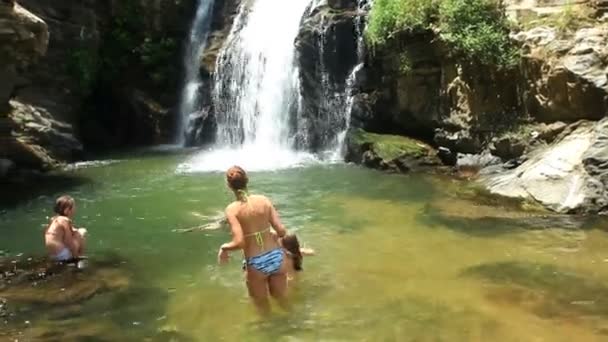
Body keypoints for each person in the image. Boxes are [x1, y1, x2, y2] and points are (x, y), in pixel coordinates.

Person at [218, 166, 289, 315]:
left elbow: (240, 242)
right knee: (283, 302)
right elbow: (282, 231)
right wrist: (268, 233)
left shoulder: (232, 209)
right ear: (247, 180)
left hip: (256, 263)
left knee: (263, 309)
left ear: (228, 185)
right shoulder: (263, 200)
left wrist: (224, 248)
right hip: (277, 257)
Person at [44, 195, 87, 262]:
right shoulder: (65, 220)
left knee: (76, 232)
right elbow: (69, 242)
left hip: (53, 256)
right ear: (67, 210)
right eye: (73, 207)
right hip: (62, 256)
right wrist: (75, 256)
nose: (75, 208)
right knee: (82, 232)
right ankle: (80, 257)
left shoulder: (54, 219)